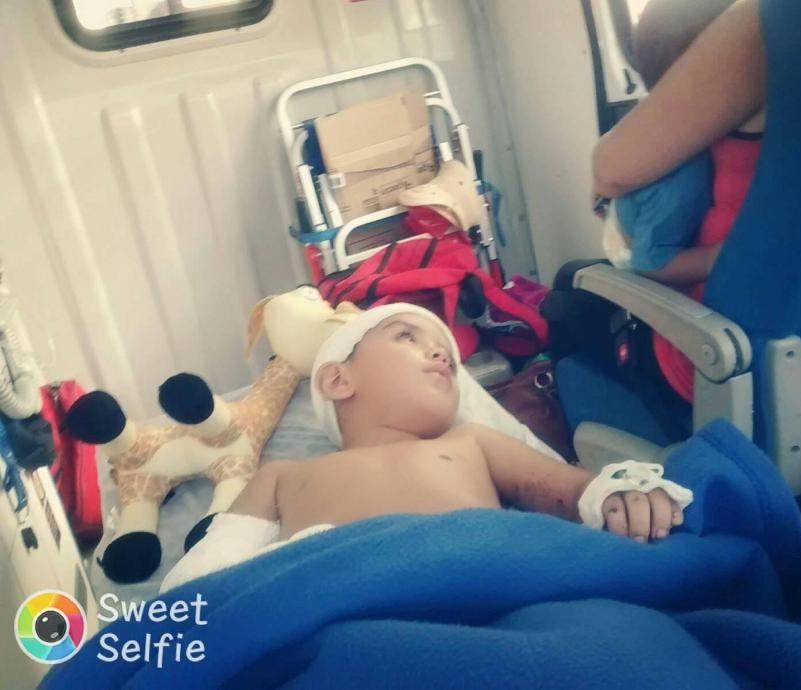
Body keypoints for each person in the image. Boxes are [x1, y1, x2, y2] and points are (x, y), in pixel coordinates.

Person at [161, 305, 692, 592]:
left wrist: (618, 495)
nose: (440, 354)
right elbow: (206, 577)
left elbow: (569, 490)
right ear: (339, 380)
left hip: (484, 582)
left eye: (448, 357)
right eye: (406, 337)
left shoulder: (470, 443)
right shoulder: (285, 475)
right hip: (345, 601)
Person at [592, 0, 766, 402]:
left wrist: (719, 257)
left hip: (715, 356)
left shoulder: (681, 173)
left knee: (574, 300)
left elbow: (648, 261)